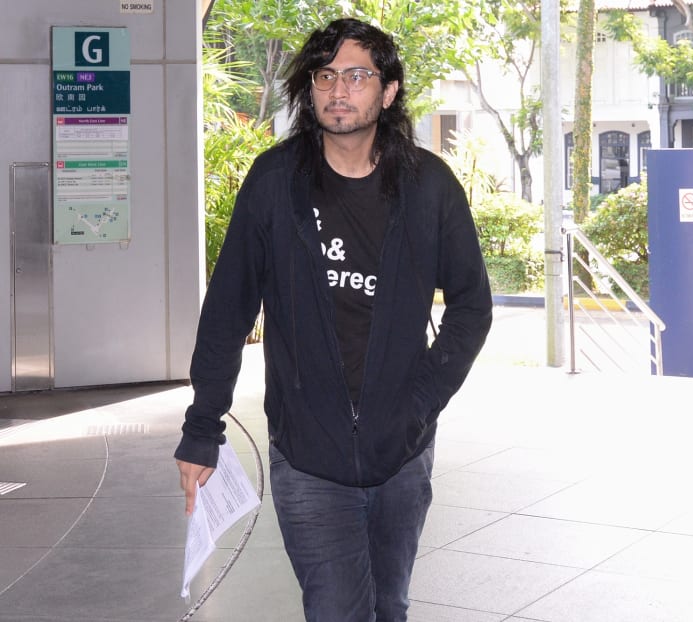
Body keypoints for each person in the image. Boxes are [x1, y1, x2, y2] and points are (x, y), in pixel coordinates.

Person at [174, 17, 492, 622]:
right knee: (338, 610)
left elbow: (472, 306)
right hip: (307, 454)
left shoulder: (429, 188)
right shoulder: (274, 183)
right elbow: (227, 310)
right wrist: (202, 427)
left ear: (388, 91)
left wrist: (420, 400)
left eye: (357, 76)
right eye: (325, 75)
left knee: (389, 606)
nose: (338, 90)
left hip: (402, 453)